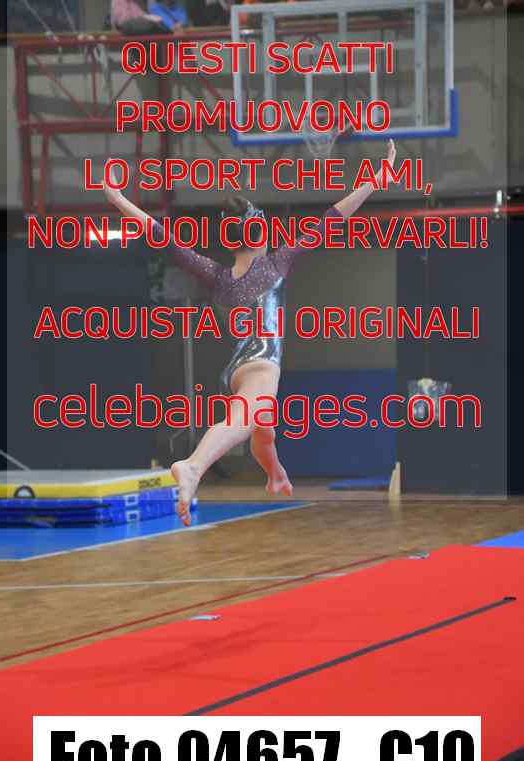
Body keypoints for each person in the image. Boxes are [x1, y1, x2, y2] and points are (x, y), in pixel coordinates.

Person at [103, 139, 397, 524]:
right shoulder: (277, 263)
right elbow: (333, 216)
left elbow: (162, 236)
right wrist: (375, 181)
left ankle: (274, 473)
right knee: (243, 421)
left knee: (264, 432)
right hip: (261, 365)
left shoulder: (216, 275)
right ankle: (193, 466)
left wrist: (118, 200)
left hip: (237, 370)